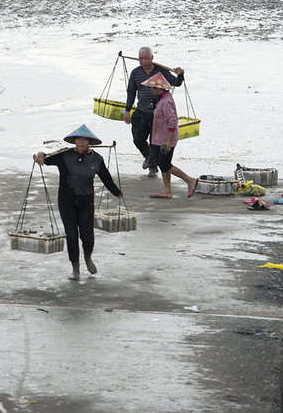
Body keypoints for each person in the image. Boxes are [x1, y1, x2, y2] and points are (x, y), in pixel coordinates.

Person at [34, 125, 123, 281]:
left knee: (87, 236)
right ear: (74, 141)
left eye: (84, 140)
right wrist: (40, 155)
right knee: (72, 234)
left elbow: (106, 177)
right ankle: (75, 268)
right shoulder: (64, 155)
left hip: (86, 202)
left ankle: (88, 257)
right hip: (66, 201)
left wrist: (116, 191)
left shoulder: (97, 159)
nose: (81, 142)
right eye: (78, 139)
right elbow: (45, 158)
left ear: (89, 142)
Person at [123, 47, 184, 177]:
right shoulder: (135, 73)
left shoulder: (161, 72)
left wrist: (180, 74)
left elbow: (176, 83)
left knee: (154, 142)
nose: (144, 61)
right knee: (138, 139)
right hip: (141, 111)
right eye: (141, 59)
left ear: (152, 58)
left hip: (158, 113)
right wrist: (127, 110)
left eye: (146, 58)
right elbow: (131, 92)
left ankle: (153, 167)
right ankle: (149, 158)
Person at [142, 73, 199, 199]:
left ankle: (190, 181)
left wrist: (169, 141)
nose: (151, 90)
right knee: (162, 163)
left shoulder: (166, 101)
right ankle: (167, 191)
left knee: (165, 164)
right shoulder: (161, 99)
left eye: (153, 88)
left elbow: (172, 121)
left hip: (166, 138)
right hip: (159, 137)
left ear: (159, 88)